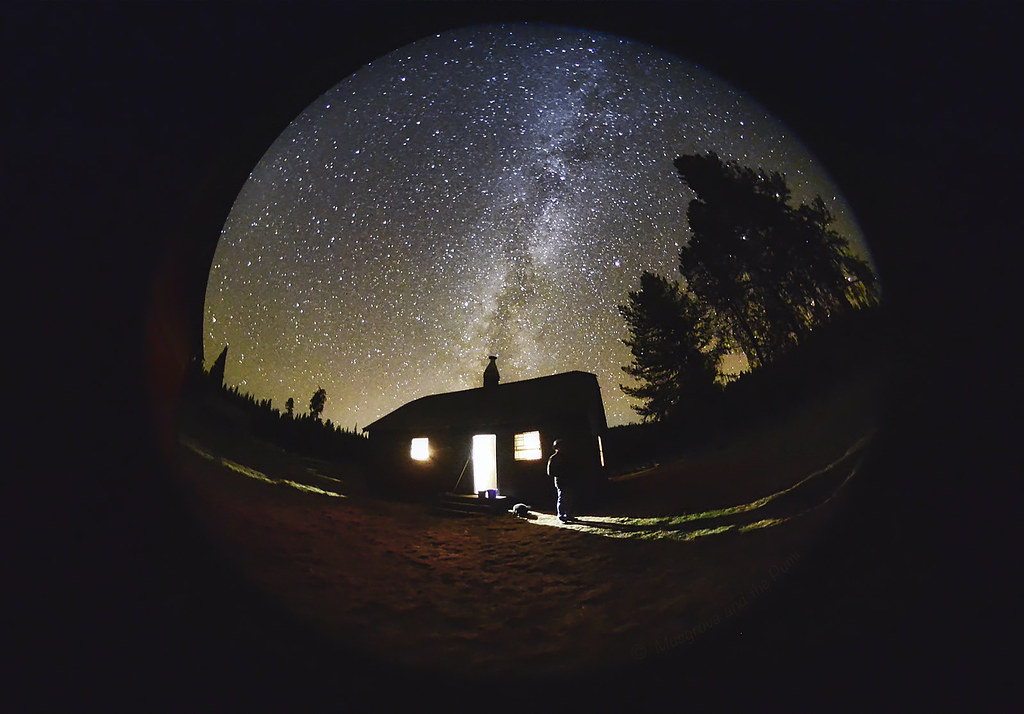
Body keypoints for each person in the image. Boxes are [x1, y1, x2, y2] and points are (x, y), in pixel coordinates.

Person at [547, 438, 575, 523]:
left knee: (569, 498)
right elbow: (550, 471)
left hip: (568, 480)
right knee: (562, 499)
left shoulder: (566, 457)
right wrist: (561, 474)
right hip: (561, 481)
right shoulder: (554, 458)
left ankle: (568, 514)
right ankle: (561, 516)